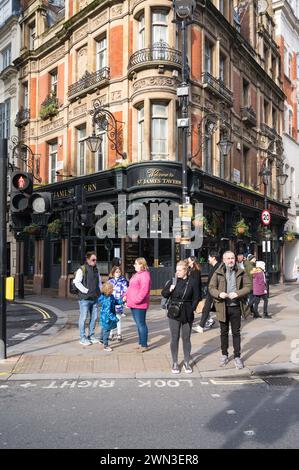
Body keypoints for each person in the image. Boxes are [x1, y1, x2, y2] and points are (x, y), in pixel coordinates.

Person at [209, 251, 251, 369]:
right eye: (228, 258)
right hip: (222, 306)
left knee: (236, 332)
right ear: (223, 260)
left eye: (232, 258)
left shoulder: (241, 272)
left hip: (236, 307)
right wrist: (219, 294)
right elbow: (211, 288)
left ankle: (237, 356)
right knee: (223, 332)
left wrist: (237, 293)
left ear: (235, 259)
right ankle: (224, 355)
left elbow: (248, 287)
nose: (230, 260)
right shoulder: (217, 272)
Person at [161, 260, 201, 374]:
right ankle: (174, 362)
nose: (177, 272)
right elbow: (164, 294)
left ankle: (187, 362)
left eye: (180, 270)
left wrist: (191, 308)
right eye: (176, 270)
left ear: (186, 270)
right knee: (174, 337)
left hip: (187, 312)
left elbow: (197, 297)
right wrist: (170, 289)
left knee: (186, 338)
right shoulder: (172, 281)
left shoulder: (192, 282)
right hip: (174, 312)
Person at [73, 251, 102, 346]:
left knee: (94, 318)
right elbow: (77, 282)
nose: (95, 261)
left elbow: (99, 283)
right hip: (84, 299)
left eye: (96, 260)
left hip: (94, 298)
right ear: (88, 260)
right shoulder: (82, 269)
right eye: (93, 260)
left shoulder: (96, 270)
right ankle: (82, 338)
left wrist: (100, 292)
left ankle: (91, 336)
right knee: (83, 318)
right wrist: (86, 291)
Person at [124, 257, 151, 352]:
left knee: (141, 324)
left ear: (141, 264)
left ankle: (144, 345)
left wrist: (136, 300)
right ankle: (141, 343)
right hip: (133, 303)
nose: (134, 265)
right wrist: (126, 296)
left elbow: (144, 291)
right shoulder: (137, 274)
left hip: (139, 305)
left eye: (136, 263)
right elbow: (131, 287)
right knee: (138, 324)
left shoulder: (145, 275)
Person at [193, 249, 220, 333]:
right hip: (211, 292)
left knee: (221, 309)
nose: (208, 259)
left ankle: (230, 326)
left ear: (213, 258)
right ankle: (201, 326)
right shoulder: (214, 267)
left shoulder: (218, 267)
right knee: (206, 308)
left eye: (209, 257)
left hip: (216, 292)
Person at [98, 282, 122, 352]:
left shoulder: (110, 296)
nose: (113, 289)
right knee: (107, 331)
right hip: (107, 318)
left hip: (104, 317)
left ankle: (101, 340)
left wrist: (121, 301)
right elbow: (108, 312)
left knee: (103, 328)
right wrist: (115, 318)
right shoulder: (107, 299)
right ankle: (106, 345)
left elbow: (115, 302)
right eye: (112, 288)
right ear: (108, 290)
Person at [108, 266, 128, 341]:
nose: (118, 273)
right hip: (111, 302)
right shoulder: (110, 282)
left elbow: (125, 291)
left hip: (119, 302)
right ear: (113, 273)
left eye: (119, 272)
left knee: (118, 318)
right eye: (116, 272)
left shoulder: (123, 281)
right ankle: (111, 333)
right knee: (111, 318)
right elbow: (107, 291)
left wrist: (125, 301)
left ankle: (119, 334)